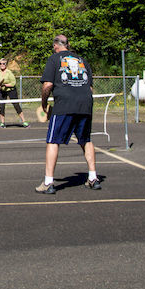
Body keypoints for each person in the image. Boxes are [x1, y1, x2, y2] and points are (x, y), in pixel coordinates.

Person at [35, 34, 101, 193]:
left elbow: (47, 85)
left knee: (53, 141)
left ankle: (48, 182)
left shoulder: (54, 58)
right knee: (86, 140)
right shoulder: (82, 60)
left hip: (64, 104)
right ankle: (93, 178)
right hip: (85, 103)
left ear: (55, 46)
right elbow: (90, 87)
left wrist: (44, 105)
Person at [0, 58, 28, 127]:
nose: (2, 65)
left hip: (11, 90)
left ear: (6, 65)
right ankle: (2, 123)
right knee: (1, 106)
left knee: (16, 105)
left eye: (3, 63)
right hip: (2, 91)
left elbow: (13, 83)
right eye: (1, 63)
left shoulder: (9, 73)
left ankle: (24, 121)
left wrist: (5, 85)